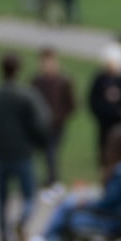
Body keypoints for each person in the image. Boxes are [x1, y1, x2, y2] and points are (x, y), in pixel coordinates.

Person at [0, 52, 50, 241]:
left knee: (2, 199)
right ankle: (21, 220)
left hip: (0, 153)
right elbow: (41, 123)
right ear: (18, 69)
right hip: (23, 153)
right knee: (29, 195)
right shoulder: (28, 95)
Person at [29, 46, 76, 197]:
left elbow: (71, 104)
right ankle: (41, 181)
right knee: (39, 154)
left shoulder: (63, 81)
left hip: (56, 126)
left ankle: (52, 181)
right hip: (39, 126)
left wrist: (61, 118)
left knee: (51, 153)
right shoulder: (36, 81)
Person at [88, 41, 121, 169]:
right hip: (104, 122)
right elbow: (93, 100)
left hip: (120, 121)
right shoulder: (100, 79)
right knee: (104, 147)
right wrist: (102, 113)